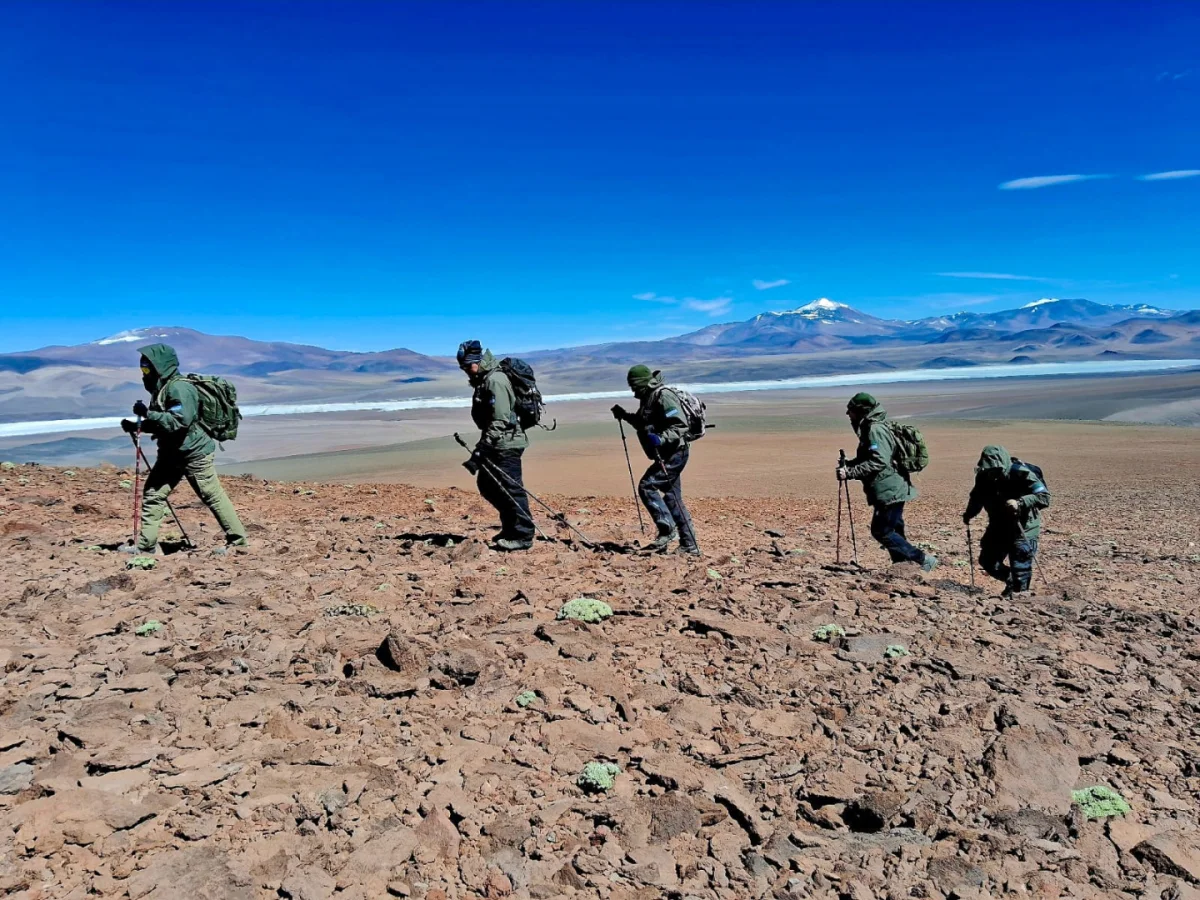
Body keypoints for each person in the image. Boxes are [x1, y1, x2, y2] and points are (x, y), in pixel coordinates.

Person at [120, 344, 247, 553]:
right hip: (172, 453)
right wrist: (137, 426)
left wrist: (147, 414)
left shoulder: (179, 388)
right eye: (143, 369)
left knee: (212, 495)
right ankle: (146, 546)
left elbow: (179, 421)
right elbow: (164, 423)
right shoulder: (162, 388)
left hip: (194, 452)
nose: (145, 373)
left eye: (147, 368)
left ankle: (239, 542)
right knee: (153, 494)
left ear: (160, 366)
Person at [837, 391, 937, 571]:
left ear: (861, 410)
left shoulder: (875, 430)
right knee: (895, 530)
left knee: (882, 531)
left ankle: (922, 560)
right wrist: (850, 465)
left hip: (889, 489)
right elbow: (871, 457)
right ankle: (903, 568)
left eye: (850, 410)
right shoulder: (871, 428)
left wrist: (850, 472)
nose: (848, 414)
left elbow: (879, 461)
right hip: (890, 487)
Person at [611, 365, 700, 555]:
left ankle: (667, 529)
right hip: (668, 453)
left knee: (647, 486)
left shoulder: (663, 396)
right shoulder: (648, 398)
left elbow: (680, 425)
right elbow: (644, 423)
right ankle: (689, 546)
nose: (633, 391)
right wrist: (625, 416)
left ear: (642, 383)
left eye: (635, 387)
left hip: (675, 452)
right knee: (672, 496)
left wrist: (661, 438)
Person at [457, 340, 535, 551]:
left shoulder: (496, 381)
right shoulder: (484, 379)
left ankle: (523, 535)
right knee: (489, 486)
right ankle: (510, 528)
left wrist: (483, 448)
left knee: (511, 489)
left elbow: (500, 419)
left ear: (477, 362)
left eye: (467, 366)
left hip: (506, 443)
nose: (465, 371)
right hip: (496, 442)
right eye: (462, 368)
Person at [963, 445, 1051, 594]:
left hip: (1023, 527)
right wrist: (969, 514)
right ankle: (1011, 581)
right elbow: (977, 497)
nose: (991, 473)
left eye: (994, 469)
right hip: (998, 526)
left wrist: (1020, 502)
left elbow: (1044, 497)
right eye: (988, 469)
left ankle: (1019, 599)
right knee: (988, 561)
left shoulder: (1021, 473)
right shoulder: (983, 476)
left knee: (1020, 567)